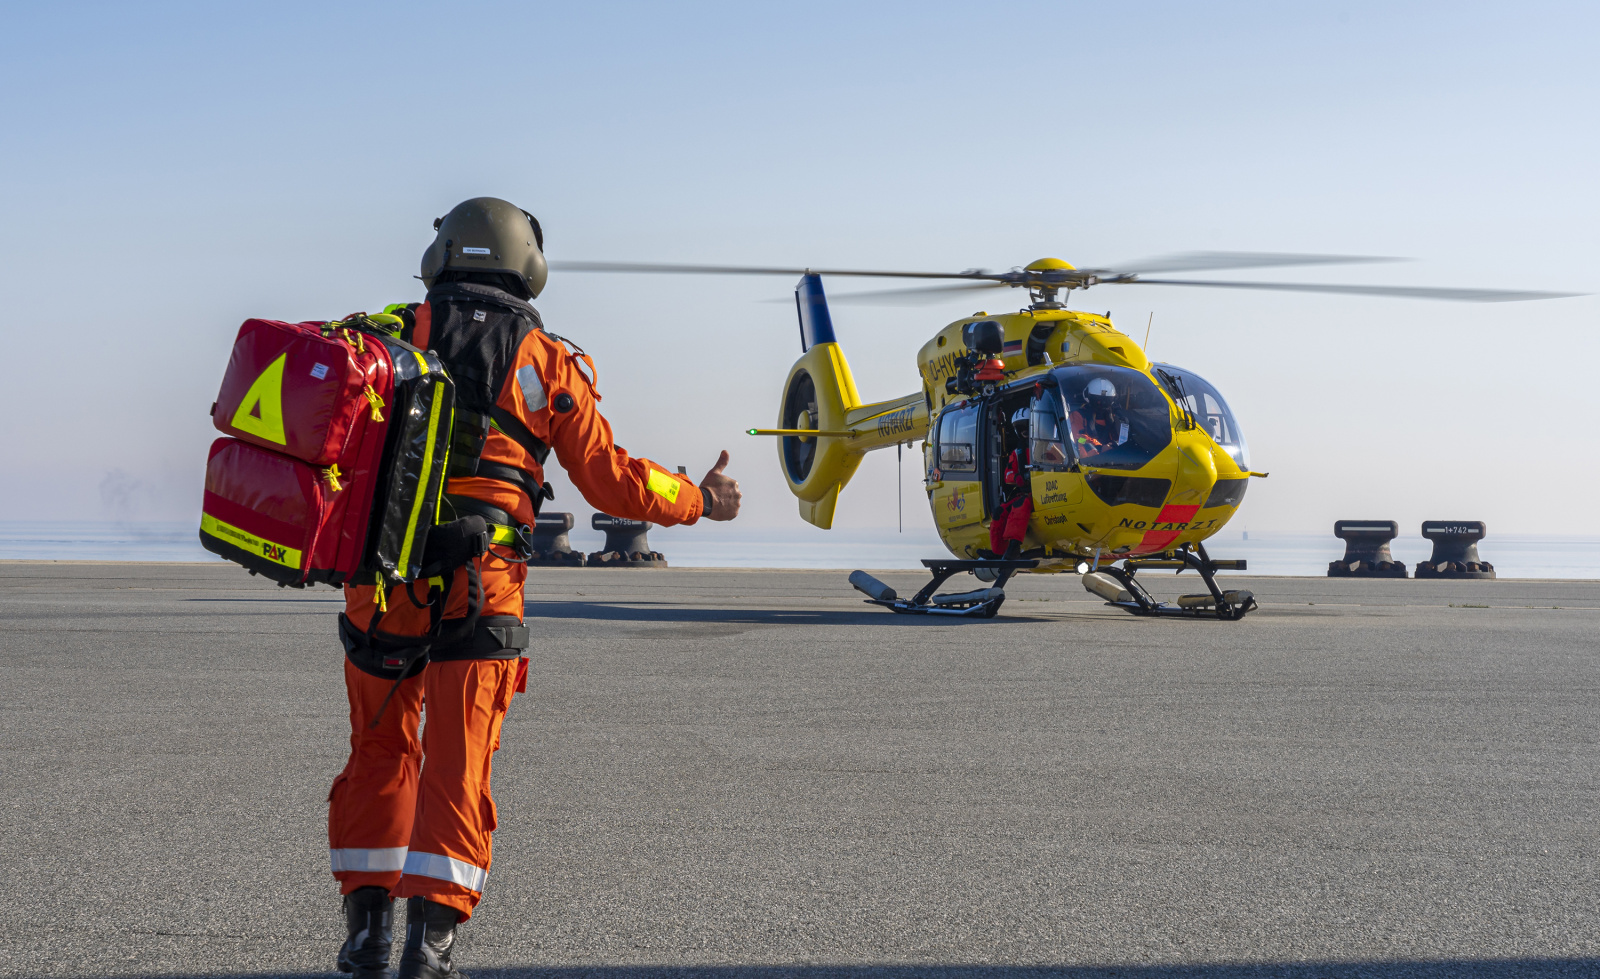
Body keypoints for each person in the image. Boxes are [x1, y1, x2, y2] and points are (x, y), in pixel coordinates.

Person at [329, 198, 742, 979]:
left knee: (379, 747)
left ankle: (365, 938)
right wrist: (698, 497)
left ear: (442, 256)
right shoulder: (547, 363)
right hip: (480, 584)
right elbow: (612, 481)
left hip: (383, 579)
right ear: (528, 263)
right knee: (459, 760)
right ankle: (429, 949)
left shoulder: (388, 334)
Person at [988, 406, 1033, 560]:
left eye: (1026, 426)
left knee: (1020, 505)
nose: (1024, 431)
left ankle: (1014, 547)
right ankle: (998, 552)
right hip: (1025, 493)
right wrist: (1017, 478)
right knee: (999, 512)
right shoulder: (1017, 453)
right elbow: (1008, 475)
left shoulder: (1047, 447)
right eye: (1020, 428)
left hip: (1043, 493)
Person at [1068, 377, 1127, 461]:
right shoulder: (1078, 415)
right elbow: (1077, 438)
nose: (1102, 403)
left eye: (1106, 400)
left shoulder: (1115, 416)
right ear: (1088, 397)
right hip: (1090, 461)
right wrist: (1099, 447)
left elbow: (1122, 438)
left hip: (1116, 459)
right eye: (1098, 400)